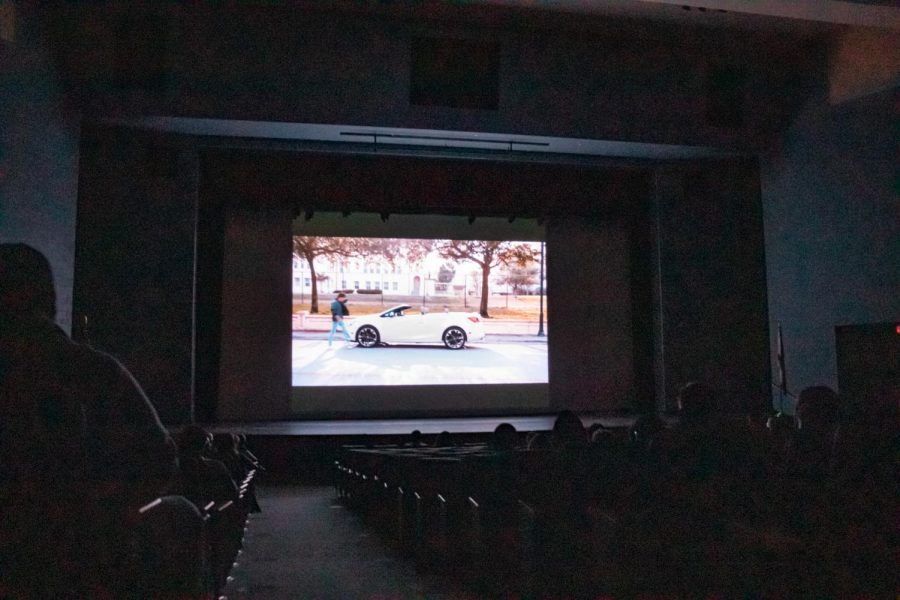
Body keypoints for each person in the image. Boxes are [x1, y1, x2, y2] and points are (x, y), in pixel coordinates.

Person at [0, 243, 178, 597]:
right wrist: (99, 515)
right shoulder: (94, 372)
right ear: (49, 298)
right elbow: (158, 459)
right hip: (85, 569)